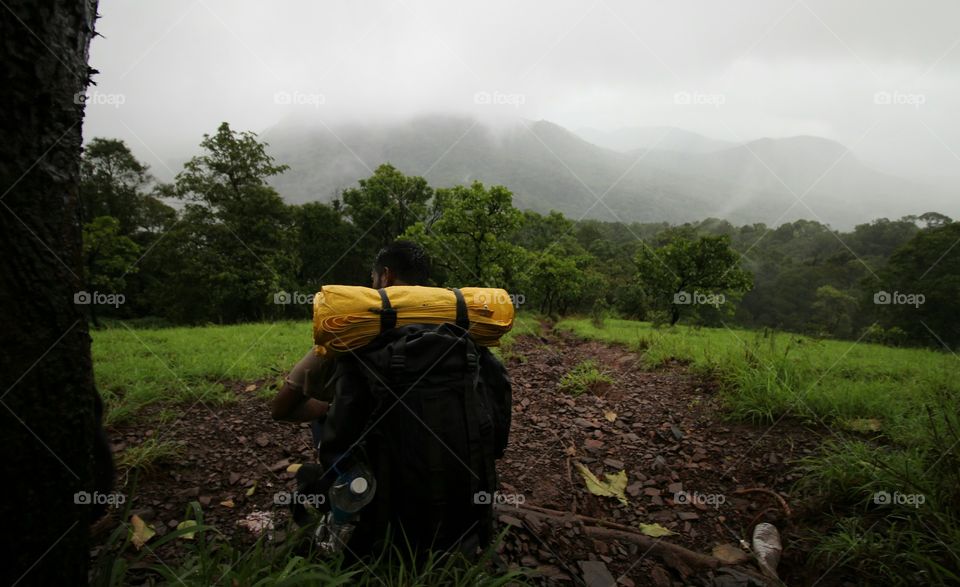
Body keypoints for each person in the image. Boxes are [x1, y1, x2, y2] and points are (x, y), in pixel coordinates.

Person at [273, 240, 513, 559]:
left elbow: (281, 408)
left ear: (385, 277)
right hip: (458, 504)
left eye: (373, 279)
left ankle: (344, 516)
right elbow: (497, 436)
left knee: (328, 415)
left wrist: (331, 407)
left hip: (379, 513)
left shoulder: (353, 332)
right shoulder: (469, 332)